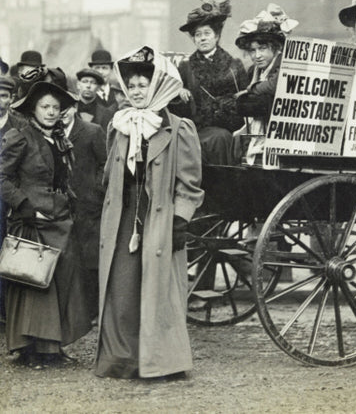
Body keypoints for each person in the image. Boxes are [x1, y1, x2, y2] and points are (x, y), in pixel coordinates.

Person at [95, 46, 204, 379]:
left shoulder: (177, 127)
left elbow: (191, 182)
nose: (138, 91)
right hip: (125, 217)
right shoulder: (120, 125)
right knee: (122, 288)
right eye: (133, 85)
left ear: (157, 85)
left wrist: (180, 220)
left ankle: (163, 362)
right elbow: (108, 174)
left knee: (160, 291)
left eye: (144, 84)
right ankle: (123, 359)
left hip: (161, 219)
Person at [0, 82, 91, 369]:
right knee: (35, 285)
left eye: (55, 107)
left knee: (59, 281)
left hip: (59, 218)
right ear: (33, 109)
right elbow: (1, 178)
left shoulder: (59, 139)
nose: (51, 112)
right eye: (45, 107)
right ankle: (30, 350)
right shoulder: (20, 137)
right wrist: (25, 207)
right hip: (32, 220)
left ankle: (53, 347)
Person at [175, 0, 248, 165]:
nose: (202, 38)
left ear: (216, 36)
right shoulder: (185, 67)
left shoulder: (234, 66)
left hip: (227, 130)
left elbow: (243, 102)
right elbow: (176, 106)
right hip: (195, 129)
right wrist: (179, 91)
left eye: (207, 33)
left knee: (219, 139)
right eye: (197, 35)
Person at [234, 4, 298, 164]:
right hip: (260, 128)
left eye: (262, 49)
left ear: (275, 47)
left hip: (285, 131)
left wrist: (251, 91)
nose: (257, 55)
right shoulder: (253, 71)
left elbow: (274, 85)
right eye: (252, 50)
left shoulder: (284, 63)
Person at [61, 97, 107, 324]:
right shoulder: (50, 132)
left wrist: (96, 191)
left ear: (75, 108)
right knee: (67, 255)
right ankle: (70, 310)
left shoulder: (92, 131)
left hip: (88, 205)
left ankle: (92, 310)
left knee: (90, 258)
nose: (61, 113)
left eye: (66, 108)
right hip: (62, 205)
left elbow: (104, 164)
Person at [0, 77, 26, 322]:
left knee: (9, 251)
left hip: (7, 200)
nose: (0, 101)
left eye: (4, 96)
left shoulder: (19, 127)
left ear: (11, 99)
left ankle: (6, 310)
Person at [75, 68, 114, 132]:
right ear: (78, 85)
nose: (88, 86)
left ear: (98, 88)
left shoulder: (107, 114)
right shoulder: (69, 110)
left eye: (93, 83)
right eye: (85, 81)